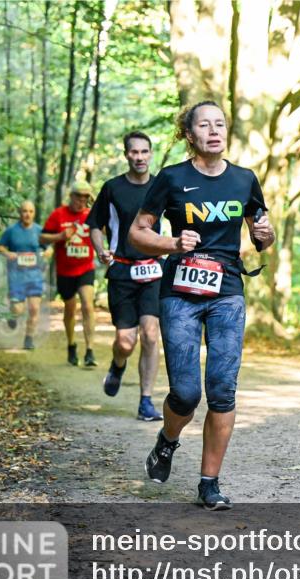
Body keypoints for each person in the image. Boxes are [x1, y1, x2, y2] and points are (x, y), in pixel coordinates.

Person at [129, 100, 275, 510]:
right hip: (180, 293)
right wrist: (172, 243)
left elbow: (262, 235)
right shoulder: (171, 179)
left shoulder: (245, 179)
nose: (214, 130)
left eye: (220, 124)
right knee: (187, 393)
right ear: (190, 135)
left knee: (222, 391)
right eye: (204, 125)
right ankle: (168, 440)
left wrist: (265, 233)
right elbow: (138, 233)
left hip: (228, 290)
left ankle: (209, 483)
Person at [89, 131, 164, 421]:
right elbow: (95, 225)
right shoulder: (112, 188)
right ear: (126, 155)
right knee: (125, 342)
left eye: (145, 152)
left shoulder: (161, 186)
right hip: (121, 269)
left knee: (150, 333)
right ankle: (118, 364)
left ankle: (146, 401)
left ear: (151, 153)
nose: (140, 157)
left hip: (153, 269)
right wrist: (100, 250)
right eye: (134, 152)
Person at [41, 181, 97, 366]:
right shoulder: (58, 214)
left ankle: (90, 350)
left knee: (88, 306)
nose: (81, 201)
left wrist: (99, 208)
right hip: (65, 271)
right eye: (78, 196)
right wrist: (59, 236)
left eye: (85, 198)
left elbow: (108, 229)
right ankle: (72, 345)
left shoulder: (91, 215)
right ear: (71, 196)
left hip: (85, 268)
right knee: (70, 309)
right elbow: (42, 237)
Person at [0, 200, 44, 349]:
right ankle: (13, 316)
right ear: (19, 213)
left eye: (30, 211)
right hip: (16, 276)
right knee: (18, 309)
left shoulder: (40, 230)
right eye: (24, 211)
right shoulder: (11, 231)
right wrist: (7, 253)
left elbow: (49, 248)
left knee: (34, 308)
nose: (27, 214)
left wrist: (46, 253)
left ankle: (28, 339)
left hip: (35, 275)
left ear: (34, 213)